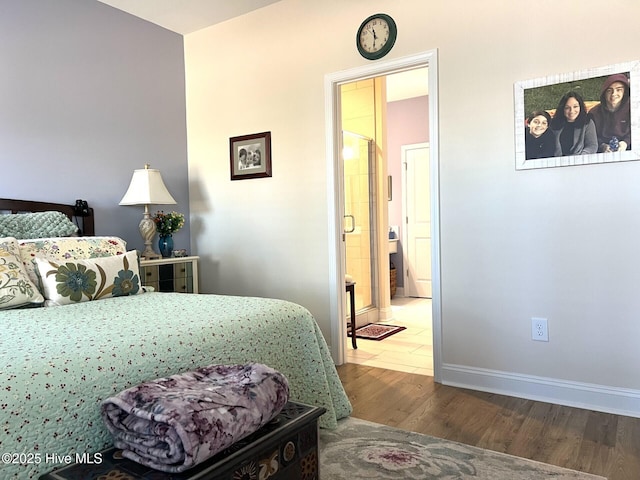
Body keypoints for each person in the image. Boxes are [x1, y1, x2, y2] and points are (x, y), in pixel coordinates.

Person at [588, 73, 631, 152]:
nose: (614, 94)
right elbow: (590, 138)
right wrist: (603, 146)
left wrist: (625, 142)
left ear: (624, 92)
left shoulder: (633, 109)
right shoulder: (593, 113)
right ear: (604, 93)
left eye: (619, 90)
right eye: (609, 90)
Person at [551, 90, 598, 156]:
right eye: (567, 108)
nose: (571, 111)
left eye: (575, 106)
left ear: (580, 107)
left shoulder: (587, 122)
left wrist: (580, 158)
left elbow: (592, 146)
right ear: (562, 109)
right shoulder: (554, 123)